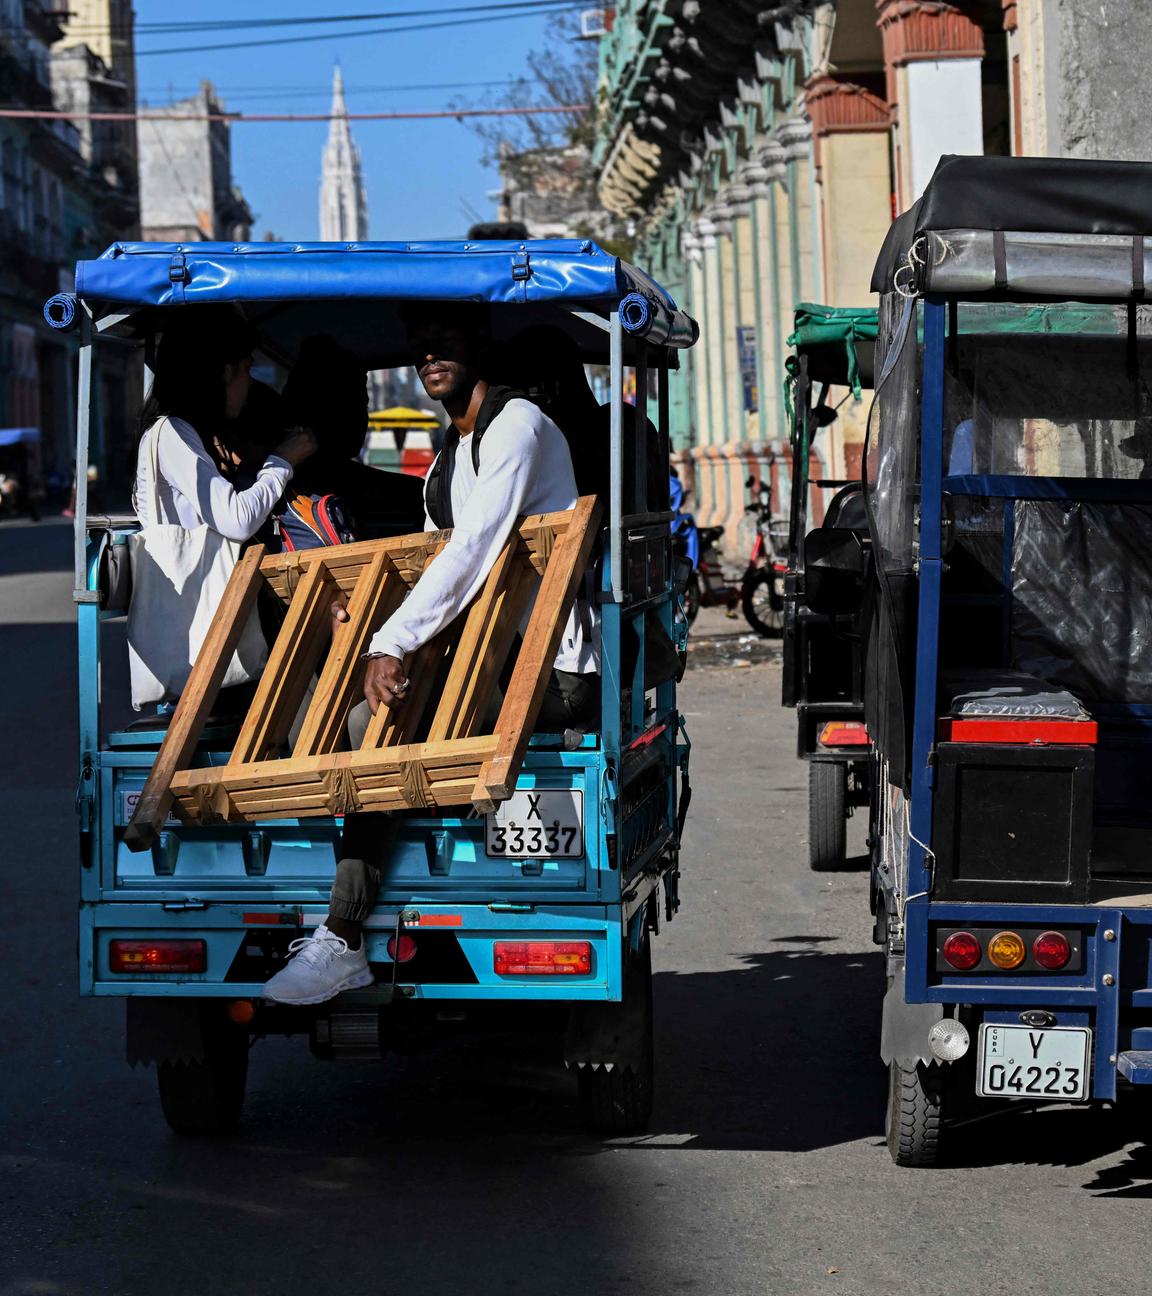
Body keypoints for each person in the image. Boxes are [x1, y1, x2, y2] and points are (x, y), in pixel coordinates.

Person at [262, 301, 599, 1006]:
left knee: (372, 729)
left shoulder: (517, 427)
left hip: (546, 673)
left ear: (479, 342)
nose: (428, 358)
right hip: (480, 660)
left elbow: (473, 551)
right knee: (339, 715)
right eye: (419, 349)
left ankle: (343, 935)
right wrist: (365, 626)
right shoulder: (449, 454)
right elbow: (429, 561)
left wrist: (392, 643)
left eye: (443, 342)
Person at [134, 309, 316, 547]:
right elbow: (237, 521)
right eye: (247, 369)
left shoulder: (197, 434)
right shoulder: (171, 433)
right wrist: (282, 461)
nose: (251, 382)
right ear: (225, 371)